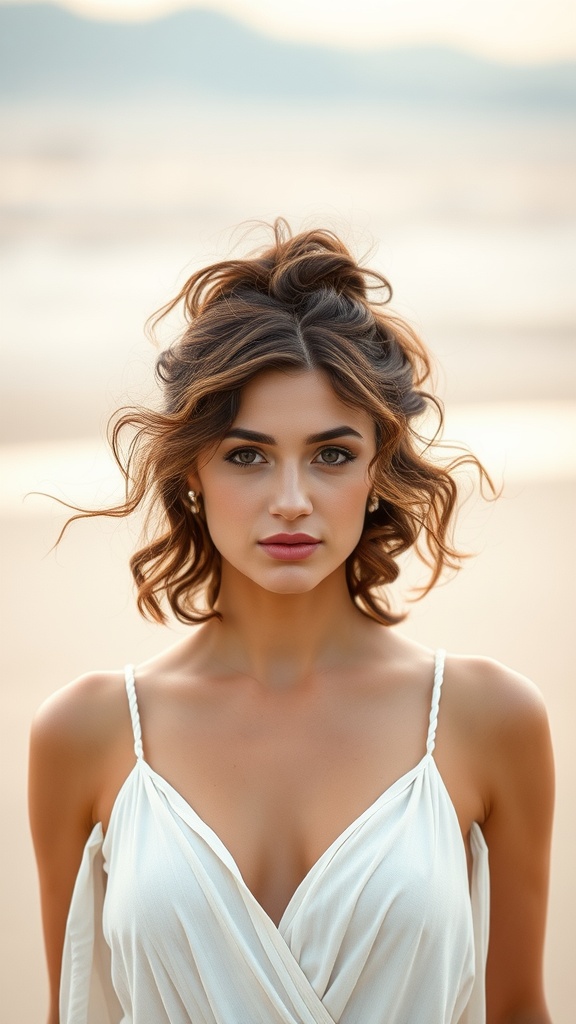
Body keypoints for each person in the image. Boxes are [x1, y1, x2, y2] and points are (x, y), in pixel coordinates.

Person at [29, 221, 555, 1024]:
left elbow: (518, 1009)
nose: (290, 499)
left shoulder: (488, 719)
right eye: (247, 455)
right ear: (193, 472)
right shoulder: (87, 733)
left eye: (331, 454)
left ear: (378, 470)